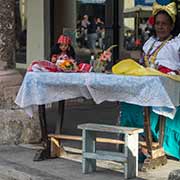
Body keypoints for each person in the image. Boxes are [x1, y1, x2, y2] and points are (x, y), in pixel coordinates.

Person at [120, 1, 180, 161]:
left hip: (168, 90)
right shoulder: (149, 43)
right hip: (146, 87)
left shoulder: (176, 44)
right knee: (128, 104)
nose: (160, 27)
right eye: (158, 24)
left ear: (171, 26)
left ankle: (160, 145)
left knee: (155, 113)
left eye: (165, 24)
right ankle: (136, 144)